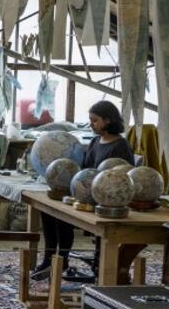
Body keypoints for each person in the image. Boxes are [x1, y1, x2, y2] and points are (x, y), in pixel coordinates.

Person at [33, 100, 135, 281]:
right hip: (88, 192)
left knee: (62, 215)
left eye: (95, 120)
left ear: (108, 120)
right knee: (49, 209)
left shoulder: (121, 146)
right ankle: (50, 258)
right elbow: (85, 169)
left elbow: (121, 178)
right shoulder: (96, 141)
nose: (91, 124)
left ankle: (63, 258)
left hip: (104, 197)